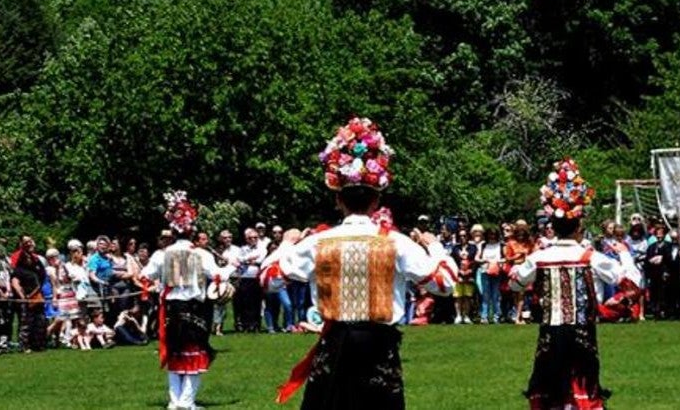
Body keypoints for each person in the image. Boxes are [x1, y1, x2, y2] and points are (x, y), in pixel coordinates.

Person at [267, 117, 457, 410]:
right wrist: (433, 245)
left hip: (335, 341)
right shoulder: (395, 242)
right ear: (376, 200)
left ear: (338, 200)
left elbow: (270, 278)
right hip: (378, 345)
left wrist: (287, 243)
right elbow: (444, 283)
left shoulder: (320, 242)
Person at [510, 158, 639, 410]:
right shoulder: (589, 257)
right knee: (583, 388)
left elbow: (515, 283)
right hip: (582, 331)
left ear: (553, 227)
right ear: (579, 225)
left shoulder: (540, 258)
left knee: (550, 391)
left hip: (550, 332)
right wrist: (623, 254)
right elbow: (631, 282)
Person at [141, 191, 235, 410]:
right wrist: (232, 265)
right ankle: (187, 401)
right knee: (196, 352)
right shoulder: (201, 254)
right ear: (192, 231)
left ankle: (175, 402)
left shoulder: (162, 254)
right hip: (195, 309)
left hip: (173, 309)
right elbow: (218, 275)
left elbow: (145, 275)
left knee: (175, 352)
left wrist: (160, 284)